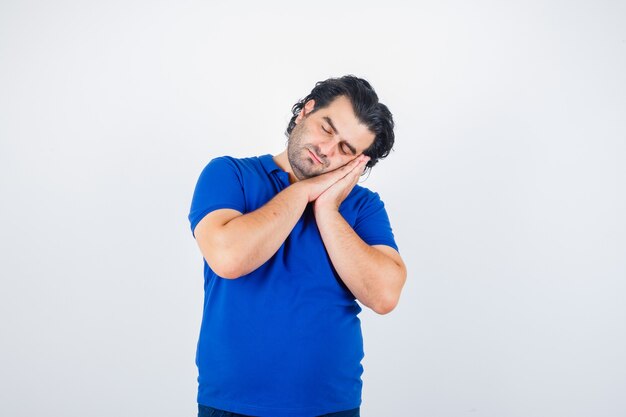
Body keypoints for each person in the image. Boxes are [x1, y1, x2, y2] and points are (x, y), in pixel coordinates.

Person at [188, 75, 407, 417]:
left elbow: (384, 295)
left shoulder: (364, 207)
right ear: (306, 111)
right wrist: (304, 192)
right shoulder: (230, 175)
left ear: (357, 163)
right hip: (231, 405)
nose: (327, 150)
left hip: (331, 407)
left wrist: (327, 209)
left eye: (346, 149)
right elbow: (228, 258)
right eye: (326, 128)